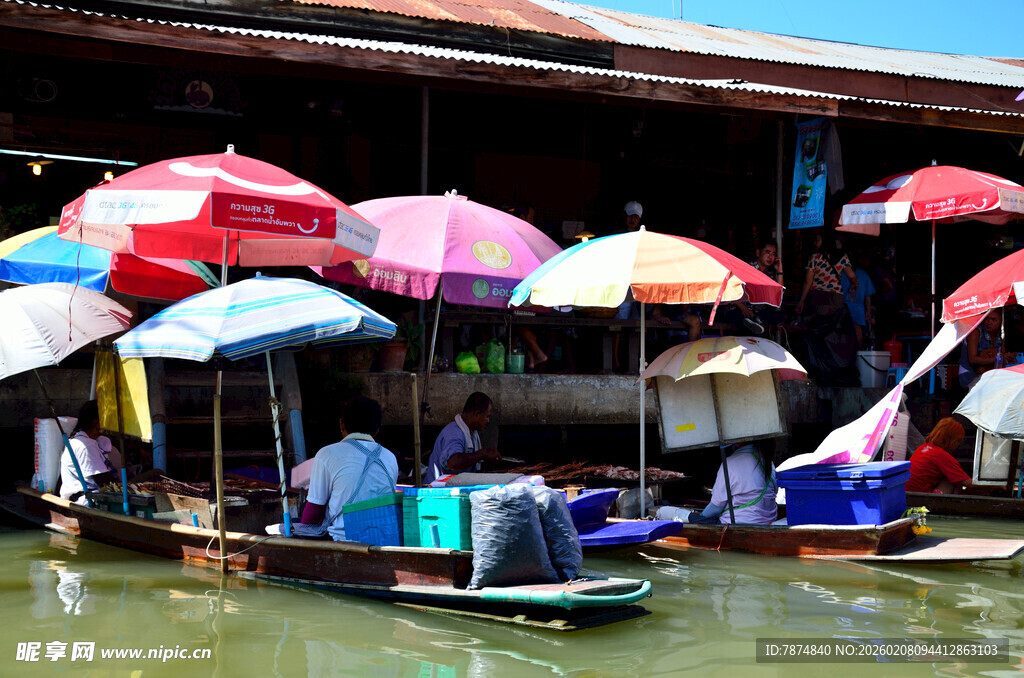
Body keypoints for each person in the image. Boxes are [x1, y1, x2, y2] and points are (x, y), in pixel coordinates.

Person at [295, 396, 398, 541]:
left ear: (341, 424)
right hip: (384, 539)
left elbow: (314, 512)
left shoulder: (327, 454)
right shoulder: (390, 458)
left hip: (342, 541)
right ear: (377, 430)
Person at [688, 443, 777, 525]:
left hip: (738, 524)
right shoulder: (768, 462)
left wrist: (701, 516)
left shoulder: (730, 463)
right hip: (769, 520)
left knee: (689, 517)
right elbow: (774, 491)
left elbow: (716, 507)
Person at [424, 392, 501, 484]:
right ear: (476, 414)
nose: (488, 421)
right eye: (487, 416)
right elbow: (454, 462)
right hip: (438, 491)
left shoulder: (472, 434)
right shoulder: (454, 432)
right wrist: (483, 454)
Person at [58, 400, 123, 505]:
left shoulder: (93, 441)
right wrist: (128, 488)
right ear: (96, 422)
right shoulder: (86, 445)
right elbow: (102, 480)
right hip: (87, 501)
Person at [794, 229, 857, 319]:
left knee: (818, 326)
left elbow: (808, 282)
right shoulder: (843, 256)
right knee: (831, 327)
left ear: (825, 241)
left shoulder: (815, 257)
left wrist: (802, 301)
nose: (815, 243)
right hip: (837, 297)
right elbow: (852, 276)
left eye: (818, 240)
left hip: (818, 296)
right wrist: (855, 284)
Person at [905, 418, 976, 494]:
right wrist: (989, 484)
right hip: (918, 497)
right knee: (954, 481)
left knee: (951, 477)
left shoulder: (923, 448)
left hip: (906, 494)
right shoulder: (941, 455)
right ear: (949, 439)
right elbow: (968, 483)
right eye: (958, 440)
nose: (958, 445)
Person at [731, 241, 785, 335]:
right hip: (739, 309)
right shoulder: (746, 268)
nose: (770, 257)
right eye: (767, 252)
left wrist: (780, 271)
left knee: (781, 316)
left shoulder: (770, 274)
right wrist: (743, 308)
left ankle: (756, 322)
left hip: (757, 313)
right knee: (740, 318)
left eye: (773, 254)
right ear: (758, 253)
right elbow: (729, 289)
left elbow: (779, 295)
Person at [959, 309, 1003, 390]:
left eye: (994, 320)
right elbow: (972, 359)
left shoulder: (1000, 335)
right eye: (987, 318)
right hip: (970, 376)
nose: (989, 322)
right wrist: (998, 359)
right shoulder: (975, 332)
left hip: (989, 375)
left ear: (1001, 321)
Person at [841, 252, 876, 349]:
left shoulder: (862, 274)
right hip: (845, 309)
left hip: (857, 310)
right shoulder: (841, 273)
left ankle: (857, 354)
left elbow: (868, 295)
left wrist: (868, 311)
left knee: (857, 336)